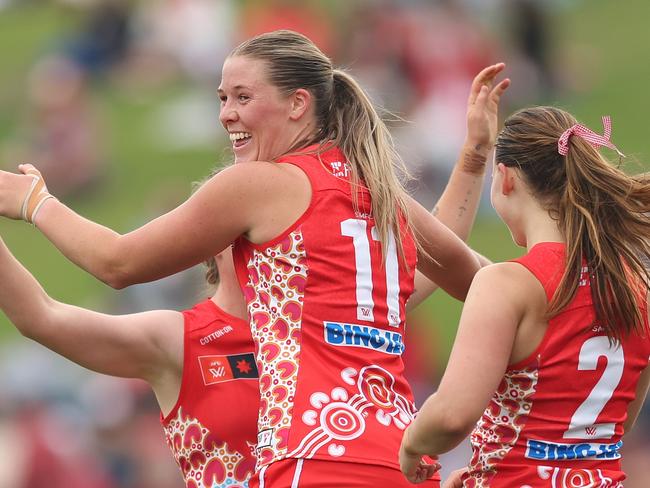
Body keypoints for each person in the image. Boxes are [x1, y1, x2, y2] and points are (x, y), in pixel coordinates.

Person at [0, 31, 508, 487]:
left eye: (243, 97)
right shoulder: (374, 194)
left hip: (314, 462)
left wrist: (34, 202)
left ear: (297, 105)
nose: (225, 113)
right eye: (222, 98)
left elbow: (118, 263)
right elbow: (476, 281)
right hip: (399, 464)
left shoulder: (260, 186)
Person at [399, 107, 650, 487]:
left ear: (505, 178)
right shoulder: (639, 288)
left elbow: (452, 415)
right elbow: (618, 421)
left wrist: (411, 446)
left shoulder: (507, 284)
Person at [0, 243, 260, 488]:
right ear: (217, 242)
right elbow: (41, 316)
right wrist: (33, 203)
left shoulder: (298, 336)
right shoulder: (184, 338)